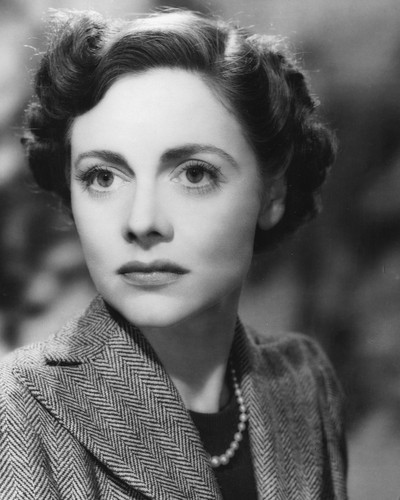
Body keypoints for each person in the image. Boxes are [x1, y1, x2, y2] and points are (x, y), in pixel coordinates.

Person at [0, 8, 347, 500]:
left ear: (273, 192)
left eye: (194, 173)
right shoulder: (19, 411)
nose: (142, 221)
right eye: (103, 177)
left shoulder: (305, 383)